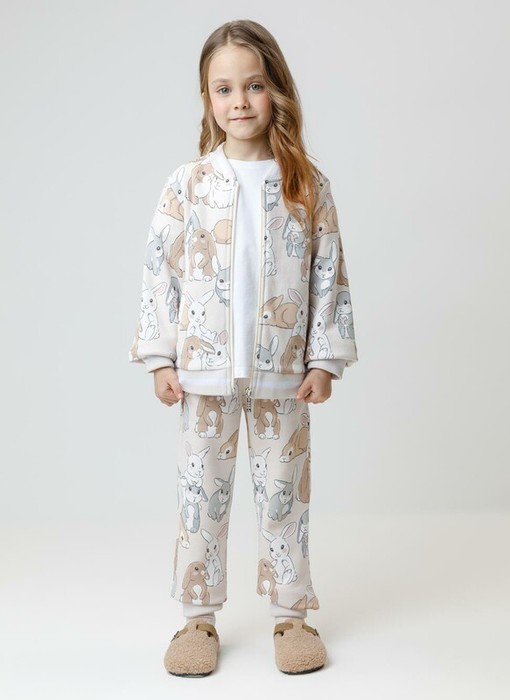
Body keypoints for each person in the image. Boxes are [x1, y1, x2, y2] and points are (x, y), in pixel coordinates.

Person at [128, 19, 358, 677]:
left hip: (284, 376)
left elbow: (328, 273)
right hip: (201, 377)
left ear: (275, 90)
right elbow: (160, 270)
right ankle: (196, 620)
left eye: (253, 85)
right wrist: (160, 357)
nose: (238, 101)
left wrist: (323, 359)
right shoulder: (188, 184)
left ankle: (292, 615)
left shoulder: (305, 184)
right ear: (206, 98)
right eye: (223, 88)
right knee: (200, 494)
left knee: (285, 493)